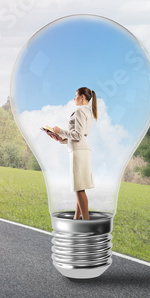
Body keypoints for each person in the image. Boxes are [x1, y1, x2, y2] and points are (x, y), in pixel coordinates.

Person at [44, 87, 97, 220]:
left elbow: (78, 135)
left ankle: (86, 222)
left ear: (82, 97)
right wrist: (60, 139)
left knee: (79, 188)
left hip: (79, 151)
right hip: (82, 150)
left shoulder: (80, 111)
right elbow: (79, 136)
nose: (74, 99)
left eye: (76, 96)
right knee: (79, 187)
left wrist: (60, 130)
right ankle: (76, 218)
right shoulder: (88, 111)